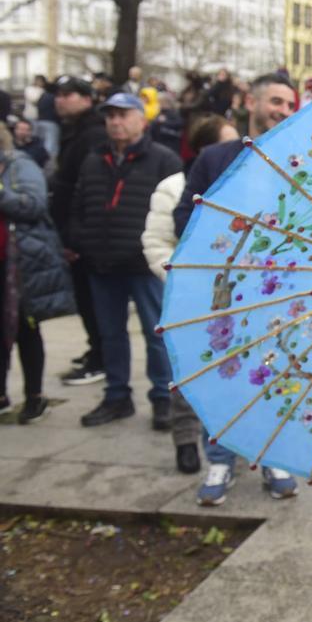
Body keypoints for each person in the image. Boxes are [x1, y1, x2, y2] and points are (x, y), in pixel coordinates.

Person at [172, 72, 299, 506]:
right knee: (223, 375)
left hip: (277, 290)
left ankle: (273, 457)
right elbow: (181, 218)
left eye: (289, 104)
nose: (283, 110)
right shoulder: (213, 158)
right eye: (276, 101)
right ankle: (221, 459)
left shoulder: (297, 160)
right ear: (251, 101)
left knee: (274, 373)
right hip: (222, 291)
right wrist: (226, 230)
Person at [72, 93, 182, 429]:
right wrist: (81, 242)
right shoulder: (94, 159)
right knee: (110, 334)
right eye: (110, 116)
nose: (116, 122)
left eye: (123, 115)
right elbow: (79, 204)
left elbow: (174, 211)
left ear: (141, 120)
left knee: (157, 333)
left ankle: (163, 398)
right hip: (102, 264)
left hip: (142, 264)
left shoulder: (163, 159)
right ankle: (116, 396)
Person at [142, 114, 239, 474]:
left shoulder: (244, 183)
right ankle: (188, 441)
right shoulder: (174, 187)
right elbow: (157, 242)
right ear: (203, 151)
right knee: (189, 372)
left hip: (236, 296)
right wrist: (187, 281)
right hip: (192, 295)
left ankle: (238, 449)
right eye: (226, 144)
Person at [0, 124, 74, 424]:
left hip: (19, 266)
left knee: (26, 329)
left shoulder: (19, 165)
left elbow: (34, 205)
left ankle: (35, 396)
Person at [51, 76, 110, 386]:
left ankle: (101, 357)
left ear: (87, 99)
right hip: (73, 232)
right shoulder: (75, 133)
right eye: (58, 95)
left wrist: (75, 237)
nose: (61, 100)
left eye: (68, 94)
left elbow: (86, 192)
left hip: (84, 236)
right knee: (86, 300)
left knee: (92, 302)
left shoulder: (92, 135)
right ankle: (96, 350)